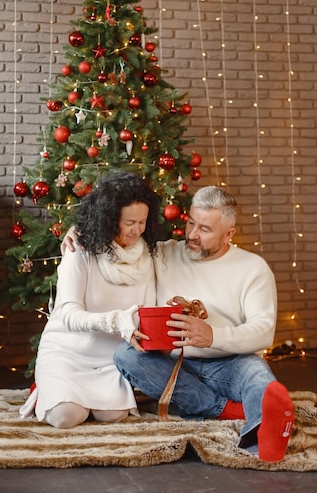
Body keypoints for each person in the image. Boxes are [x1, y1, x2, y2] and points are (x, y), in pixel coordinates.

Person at [113, 185, 294, 462]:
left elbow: (264, 331)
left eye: (205, 229)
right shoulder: (164, 253)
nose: (193, 235)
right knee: (126, 355)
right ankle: (226, 409)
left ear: (229, 234)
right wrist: (76, 236)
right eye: (191, 223)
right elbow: (117, 244)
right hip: (173, 362)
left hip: (231, 361)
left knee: (258, 376)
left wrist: (213, 336)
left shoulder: (253, 268)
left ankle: (263, 438)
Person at [20, 170, 160, 428]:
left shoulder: (149, 256)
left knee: (112, 416)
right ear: (108, 218)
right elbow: (68, 315)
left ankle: (73, 395)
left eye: (142, 222)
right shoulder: (79, 252)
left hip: (111, 359)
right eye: (129, 222)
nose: (136, 230)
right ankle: (44, 388)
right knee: (66, 418)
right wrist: (117, 321)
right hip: (68, 352)